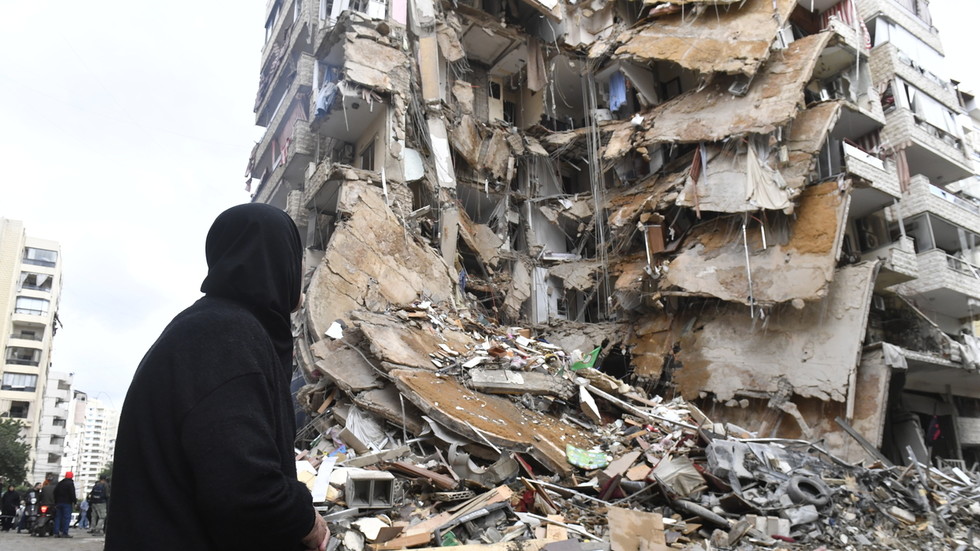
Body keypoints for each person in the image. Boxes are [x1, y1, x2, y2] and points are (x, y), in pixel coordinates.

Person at [105, 204, 329, 551]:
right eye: (295, 255)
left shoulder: (218, 329)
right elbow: (246, 490)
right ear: (276, 258)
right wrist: (306, 520)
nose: (300, 268)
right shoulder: (227, 338)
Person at [53, 472, 76, 538]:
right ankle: (64, 533)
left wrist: (56, 501)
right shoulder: (70, 484)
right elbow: (72, 494)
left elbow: (55, 492)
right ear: (71, 477)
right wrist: (74, 502)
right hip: (67, 503)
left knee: (58, 518)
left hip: (58, 503)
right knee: (66, 518)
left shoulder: (60, 483)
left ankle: (56, 532)